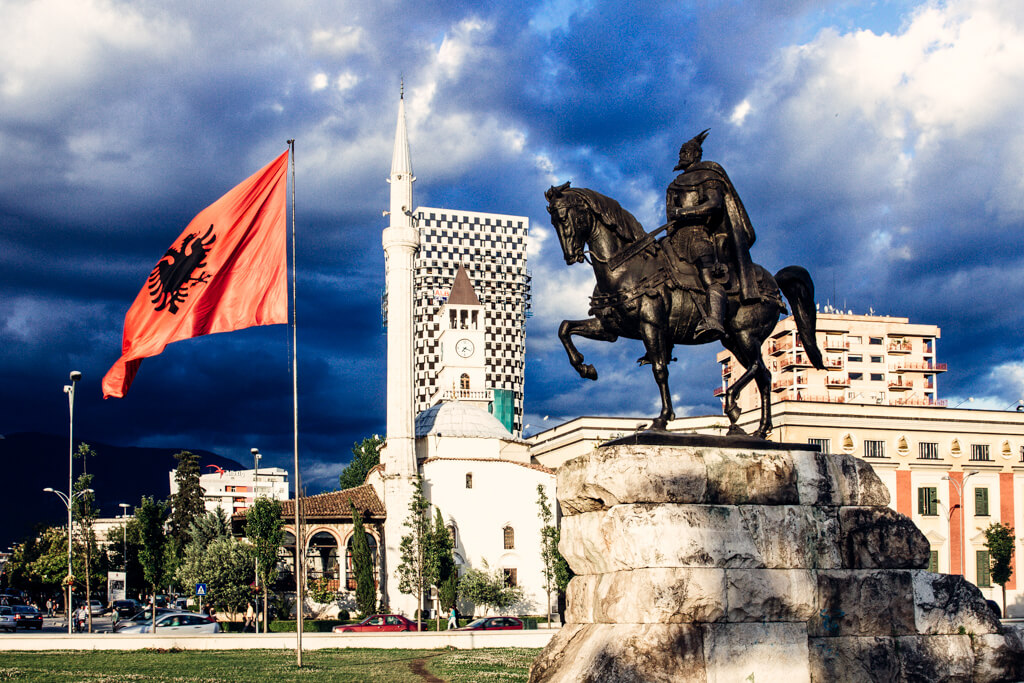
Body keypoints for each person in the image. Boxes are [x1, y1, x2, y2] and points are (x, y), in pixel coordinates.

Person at [665, 129, 759, 342]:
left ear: (696, 154)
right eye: (681, 151)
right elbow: (670, 214)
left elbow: (715, 204)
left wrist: (684, 213)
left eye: (686, 151)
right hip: (676, 238)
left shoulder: (708, 176)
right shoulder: (674, 184)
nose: (682, 154)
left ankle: (715, 319)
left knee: (709, 276)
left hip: (700, 236)